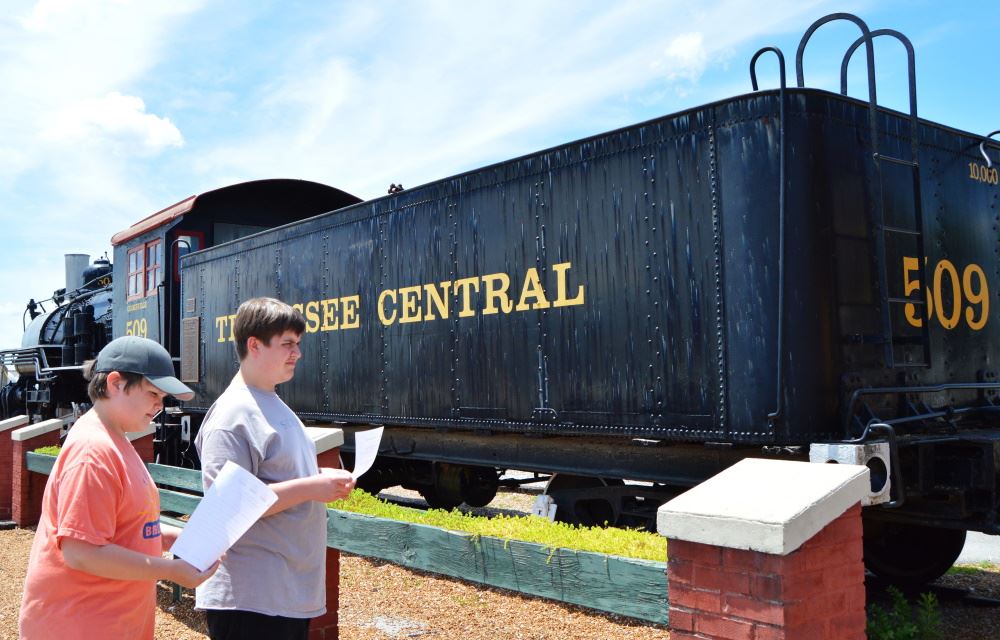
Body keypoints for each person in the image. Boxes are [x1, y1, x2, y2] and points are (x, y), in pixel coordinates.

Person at [19, 336, 220, 640]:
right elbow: (81, 552)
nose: (159, 405)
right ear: (115, 383)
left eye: (163, 397)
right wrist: (169, 571)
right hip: (78, 626)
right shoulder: (93, 452)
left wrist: (180, 539)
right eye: (153, 392)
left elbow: (132, 527)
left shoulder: (115, 441)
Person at [195, 297, 355, 640]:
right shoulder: (232, 416)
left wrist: (318, 481)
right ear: (254, 345)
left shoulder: (272, 403)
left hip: (283, 594)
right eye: (287, 344)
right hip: (252, 599)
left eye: (298, 344)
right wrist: (313, 487)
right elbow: (229, 508)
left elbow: (284, 482)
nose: (297, 353)